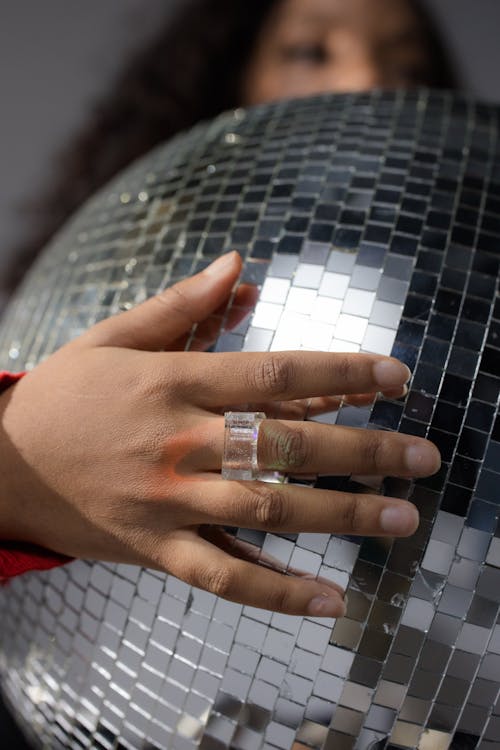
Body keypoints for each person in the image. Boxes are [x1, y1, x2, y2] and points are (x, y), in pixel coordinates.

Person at [0, 0, 449, 615]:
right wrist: (21, 468)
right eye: (310, 52)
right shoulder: (121, 264)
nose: (368, 84)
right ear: (232, 78)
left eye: (407, 63)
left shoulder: (458, 302)